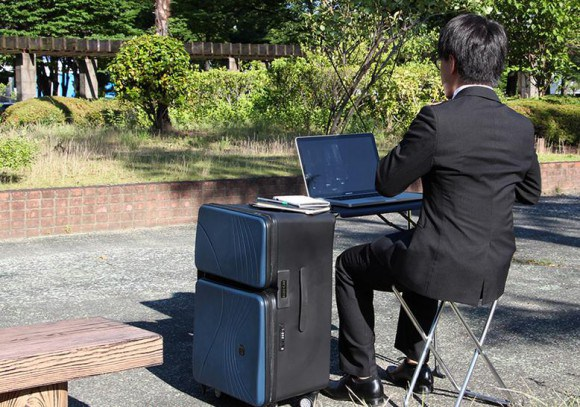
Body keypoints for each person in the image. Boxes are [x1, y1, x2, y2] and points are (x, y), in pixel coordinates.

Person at [322, 13, 542, 406]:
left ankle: (360, 378)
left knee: (350, 265)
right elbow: (530, 192)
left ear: (451, 62)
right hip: (490, 273)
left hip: (438, 266)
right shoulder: (520, 127)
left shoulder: (437, 119)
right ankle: (415, 364)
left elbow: (386, 182)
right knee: (422, 245)